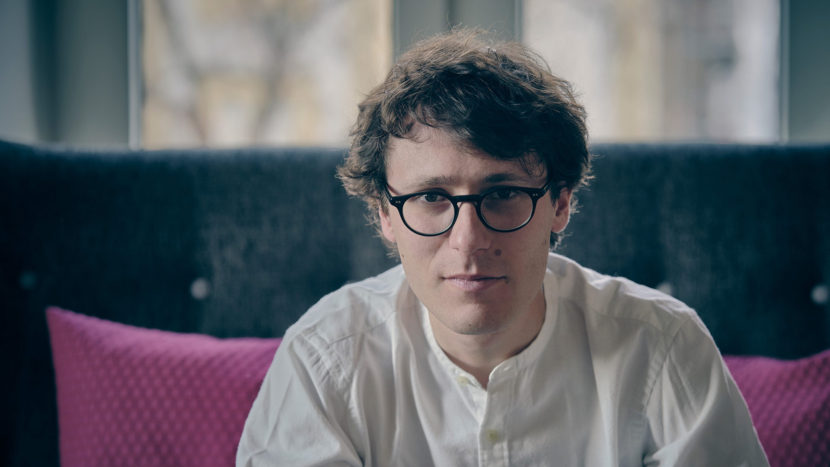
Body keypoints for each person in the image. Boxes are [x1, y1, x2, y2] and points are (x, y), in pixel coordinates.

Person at [237, 28, 768, 466]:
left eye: (504, 194)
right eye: (431, 198)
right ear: (385, 215)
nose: (469, 240)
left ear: (561, 204)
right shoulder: (323, 361)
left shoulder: (664, 348)